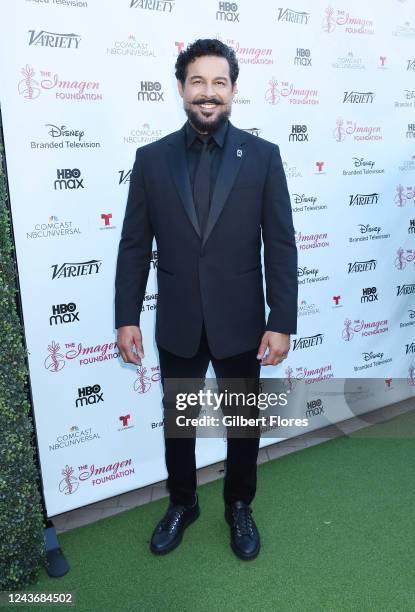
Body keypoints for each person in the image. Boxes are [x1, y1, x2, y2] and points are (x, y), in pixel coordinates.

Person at [115, 39, 298, 561]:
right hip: (178, 319)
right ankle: (183, 502)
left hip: (242, 320)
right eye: (198, 82)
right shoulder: (151, 160)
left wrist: (281, 319)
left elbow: (280, 244)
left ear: (234, 91)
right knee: (180, 422)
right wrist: (126, 316)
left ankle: (239, 505)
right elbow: (134, 244)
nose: (208, 92)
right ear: (181, 89)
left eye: (219, 82)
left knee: (243, 423)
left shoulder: (263, 157)